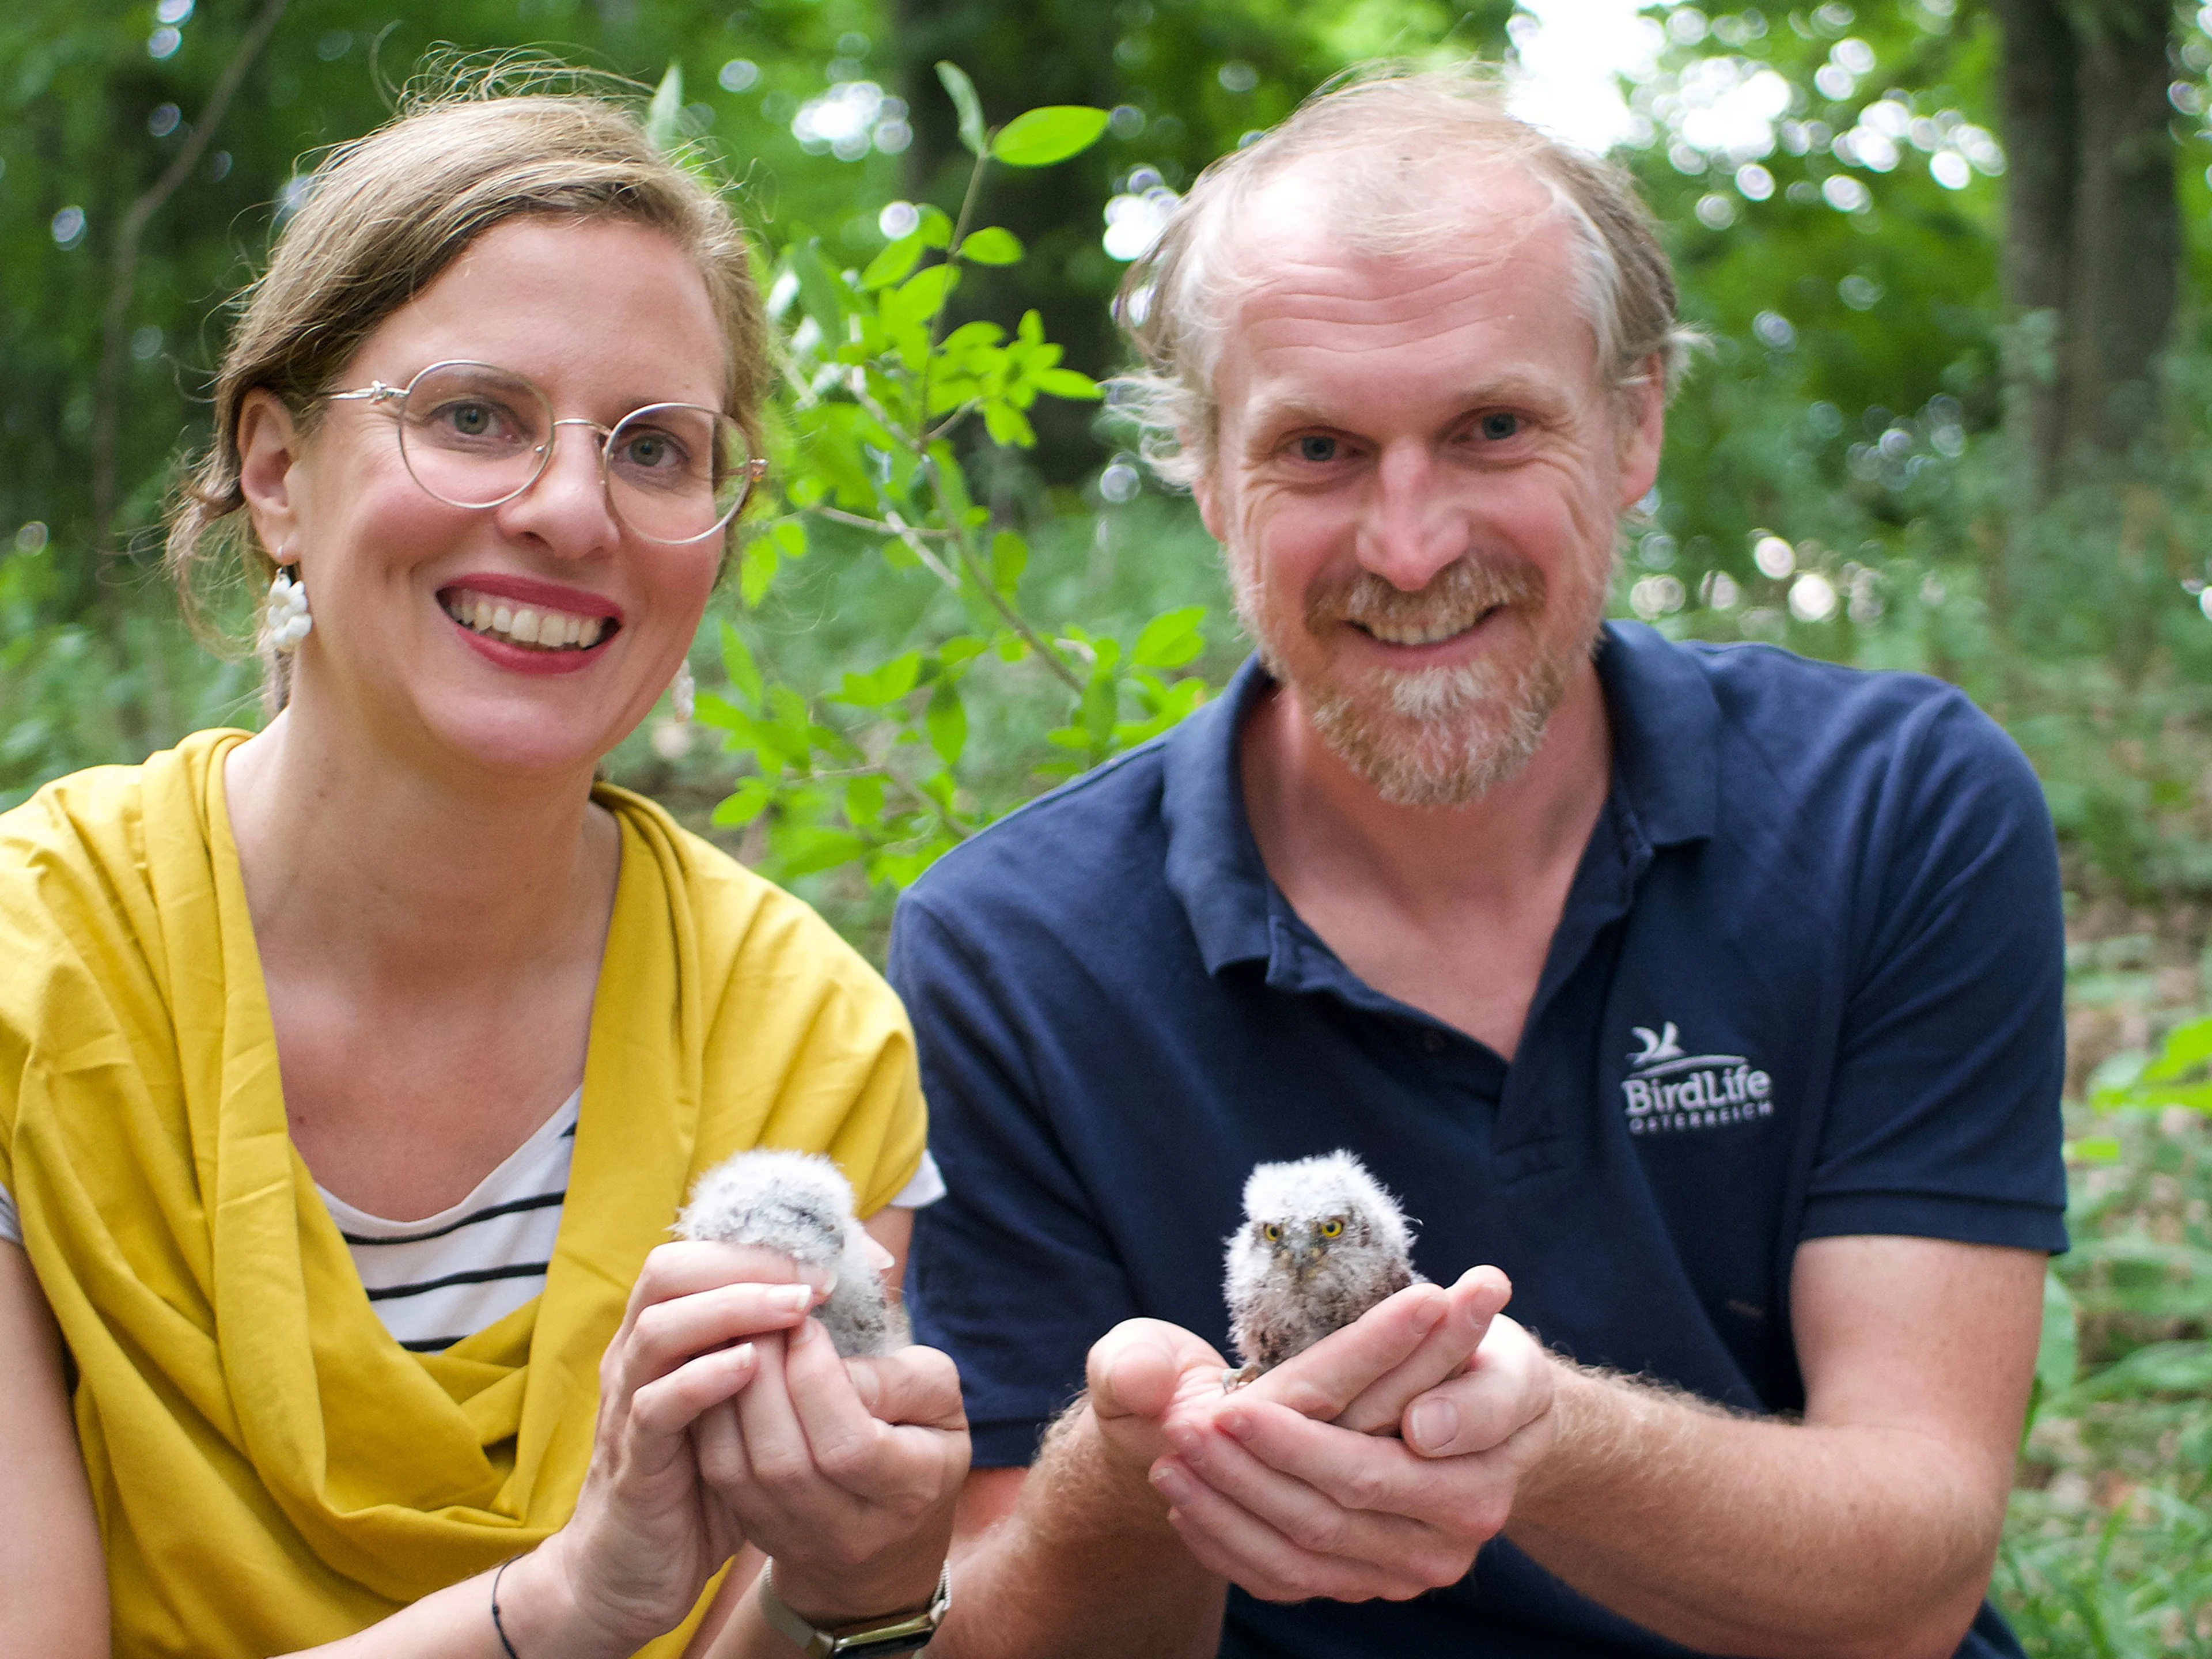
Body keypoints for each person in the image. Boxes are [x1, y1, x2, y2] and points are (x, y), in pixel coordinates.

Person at [890, 65, 2067, 1659]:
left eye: (1492, 427)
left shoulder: (1895, 811)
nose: (1412, 543)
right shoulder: (1011, 952)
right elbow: (989, 1629)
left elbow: (1913, 1573)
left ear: (1636, 424)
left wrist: (1531, 1441)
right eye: (1318, 449)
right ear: (1204, 470)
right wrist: (1138, 1463)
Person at [0, 89, 969, 1659]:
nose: (573, 509)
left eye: (656, 449)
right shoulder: (30, 973)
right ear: (273, 472)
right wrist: (575, 1603)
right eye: (473, 416)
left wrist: (859, 1595)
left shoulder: (804, 1039)